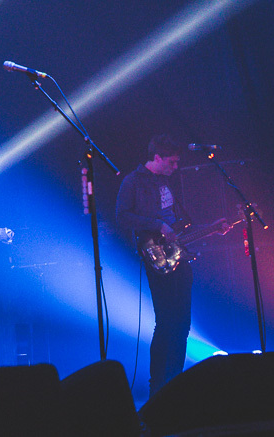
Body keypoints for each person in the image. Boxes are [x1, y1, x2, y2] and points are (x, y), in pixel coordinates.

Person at [115, 133, 192, 397]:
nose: (175, 166)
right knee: (166, 322)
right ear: (157, 157)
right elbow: (122, 215)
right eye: (171, 161)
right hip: (156, 256)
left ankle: (178, 382)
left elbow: (177, 220)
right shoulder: (133, 182)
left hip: (178, 254)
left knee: (183, 323)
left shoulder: (167, 183)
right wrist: (157, 225)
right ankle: (158, 387)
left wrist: (214, 229)